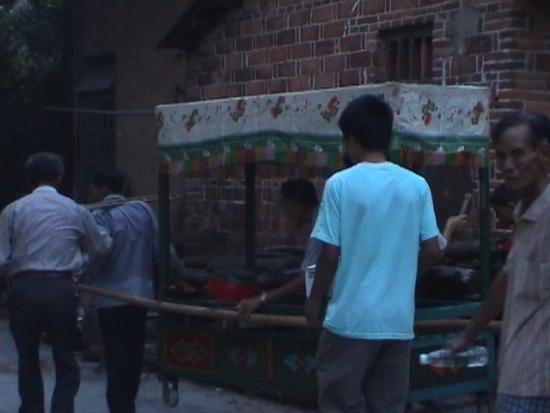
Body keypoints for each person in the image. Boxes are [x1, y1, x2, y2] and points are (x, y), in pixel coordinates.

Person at [305, 95, 443, 413]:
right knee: (388, 405)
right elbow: (433, 251)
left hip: (350, 320)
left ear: (352, 139)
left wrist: (314, 300)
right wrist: (406, 273)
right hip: (397, 321)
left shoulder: (340, 184)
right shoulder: (417, 185)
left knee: (340, 402)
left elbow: (329, 255)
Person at [450, 112, 550, 413]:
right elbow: (505, 281)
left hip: (538, 382)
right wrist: (469, 335)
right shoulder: (525, 214)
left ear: (543, 153)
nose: (507, 165)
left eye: (517, 154)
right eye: (501, 156)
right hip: (517, 372)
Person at [0, 152, 112, 413]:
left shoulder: (13, 210)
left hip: (23, 290)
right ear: (59, 177)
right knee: (65, 358)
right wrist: (80, 263)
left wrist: (15, 277)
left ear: (29, 179)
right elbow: (101, 247)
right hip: (61, 290)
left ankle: (32, 408)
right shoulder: (75, 209)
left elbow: (1, 259)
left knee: (27, 359)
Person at [89, 167, 184, 413]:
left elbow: (98, 253)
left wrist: (81, 272)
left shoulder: (100, 215)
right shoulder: (142, 210)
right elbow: (163, 247)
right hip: (141, 295)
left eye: (94, 189)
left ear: (102, 189)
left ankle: (121, 408)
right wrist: (179, 270)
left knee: (115, 358)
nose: (93, 193)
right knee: (133, 356)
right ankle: (127, 405)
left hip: (110, 297)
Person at [237, 178, 321, 318]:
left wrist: (262, 299)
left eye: (285, 208)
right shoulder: (322, 218)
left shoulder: (320, 228)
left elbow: (305, 280)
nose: (284, 214)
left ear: (297, 208)